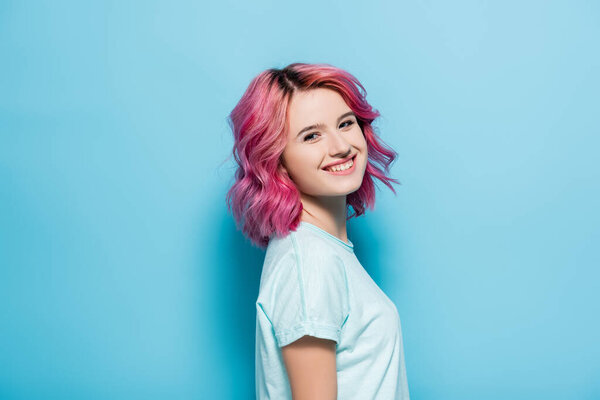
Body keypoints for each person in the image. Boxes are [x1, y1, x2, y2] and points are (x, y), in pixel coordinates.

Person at [226, 62, 410, 399]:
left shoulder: (324, 252)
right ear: (276, 160)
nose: (341, 146)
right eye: (312, 135)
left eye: (345, 123)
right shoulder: (310, 263)